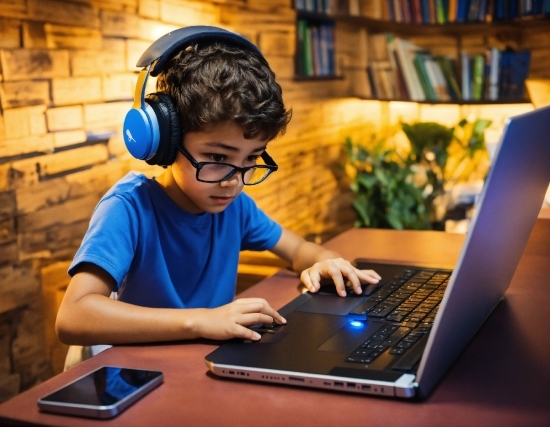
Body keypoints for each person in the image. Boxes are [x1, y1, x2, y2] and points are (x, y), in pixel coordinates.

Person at [55, 27, 380, 348]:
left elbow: (297, 251)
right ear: (164, 142)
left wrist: (325, 261)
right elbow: (73, 317)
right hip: (142, 377)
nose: (234, 180)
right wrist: (200, 320)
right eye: (217, 156)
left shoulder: (234, 207)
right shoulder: (128, 208)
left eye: (251, 158)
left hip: (202, 368)